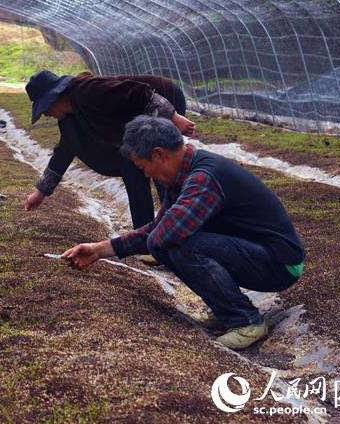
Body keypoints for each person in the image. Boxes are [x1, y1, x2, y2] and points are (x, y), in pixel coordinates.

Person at [61, 115, 305, 350]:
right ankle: (226, 311)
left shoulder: (203, 178)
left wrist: (132, 246)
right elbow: (159, 227)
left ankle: (246, 321)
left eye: (143, 166)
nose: (146, 175)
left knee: (176, 244)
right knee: (166, 241)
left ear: (159, 154)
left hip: (280, 263)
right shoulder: (184, 175)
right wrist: (99, 249)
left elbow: (164, 235)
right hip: (254, 251)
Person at [23, 70, 196, 230]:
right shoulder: (70, 120)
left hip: (163, 100)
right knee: (131, 166)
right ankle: (145, 235)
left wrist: (173, 117)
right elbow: (64, 152)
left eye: (45, 109)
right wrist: (41, 192)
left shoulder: (87, 91)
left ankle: (175, 227)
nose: (46, 114)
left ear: (54, 99)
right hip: (140, 118)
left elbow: (140, 94)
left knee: (158, 166)